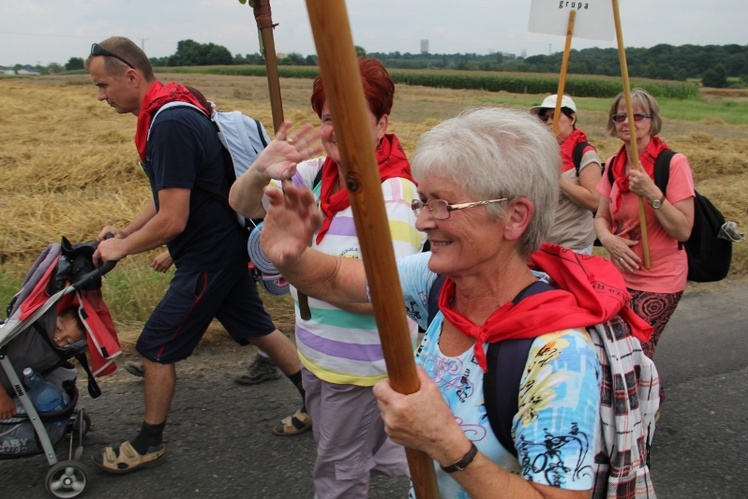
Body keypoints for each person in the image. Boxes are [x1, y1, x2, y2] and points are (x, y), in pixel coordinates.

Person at [254, 106, 658, 498]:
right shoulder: (435, 280)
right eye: (422, 201)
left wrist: (445, 443)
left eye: (442, 204)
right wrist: (291, 255)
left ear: (515, 217)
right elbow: (336, 279)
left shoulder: (558, 354)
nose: (422, 221)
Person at [85, 36, 306, 473]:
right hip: (223, 246)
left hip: (209, 256)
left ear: (131, 76)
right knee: (259, 328)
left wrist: (124, 247)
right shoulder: (174, 109)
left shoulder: (168, 124)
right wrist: (126, 229)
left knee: (155, 347)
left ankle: (148, 443)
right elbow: (167, 192)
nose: (100, 96)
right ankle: (322, 403)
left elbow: (173, 220)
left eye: (103, 85)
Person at [229, 57, 424, 496]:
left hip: (359, 365)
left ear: (382, 123)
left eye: (354, 115)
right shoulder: (317, 175)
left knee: (337, 474)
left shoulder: (393, 193)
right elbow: (243, 205)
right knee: (372, 451)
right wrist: (261, 169)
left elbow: (384, 296)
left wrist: (296, 263)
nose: (337, 128)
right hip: (318, 354)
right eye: (329, 118)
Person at [594, 88, 695, 361]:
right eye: (619, 117)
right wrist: (608, 240)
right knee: (607, 349)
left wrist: (653, 194)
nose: (627, 122)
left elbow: (683, 229)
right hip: (619, 276)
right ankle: (630, 402)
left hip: (660, 278)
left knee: (633, 352)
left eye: (637, 116)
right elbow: (601, 217)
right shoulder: (615, 164)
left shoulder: (673, 163)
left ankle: (647, 402)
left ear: (652, 121)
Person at [124, 251, 283, 387]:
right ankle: (156, 361)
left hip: (224, 253)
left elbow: (211, 219)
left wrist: (173, 253)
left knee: (251, 321)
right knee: (251, 320)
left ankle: (157, 361)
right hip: (223, 254)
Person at [530, 94, 602, 253]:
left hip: (573, 247)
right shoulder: (540, 153)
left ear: (572, 118)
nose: (549, 122)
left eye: (554, 116)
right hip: (540, 245)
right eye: (544, 117)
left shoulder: (584, 154)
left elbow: (593, 201)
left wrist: (558, 179)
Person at [0, 307, 86, 419]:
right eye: (58, 329)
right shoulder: (20, 333)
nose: (59, 338)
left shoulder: (48, 353)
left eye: (68, 341)